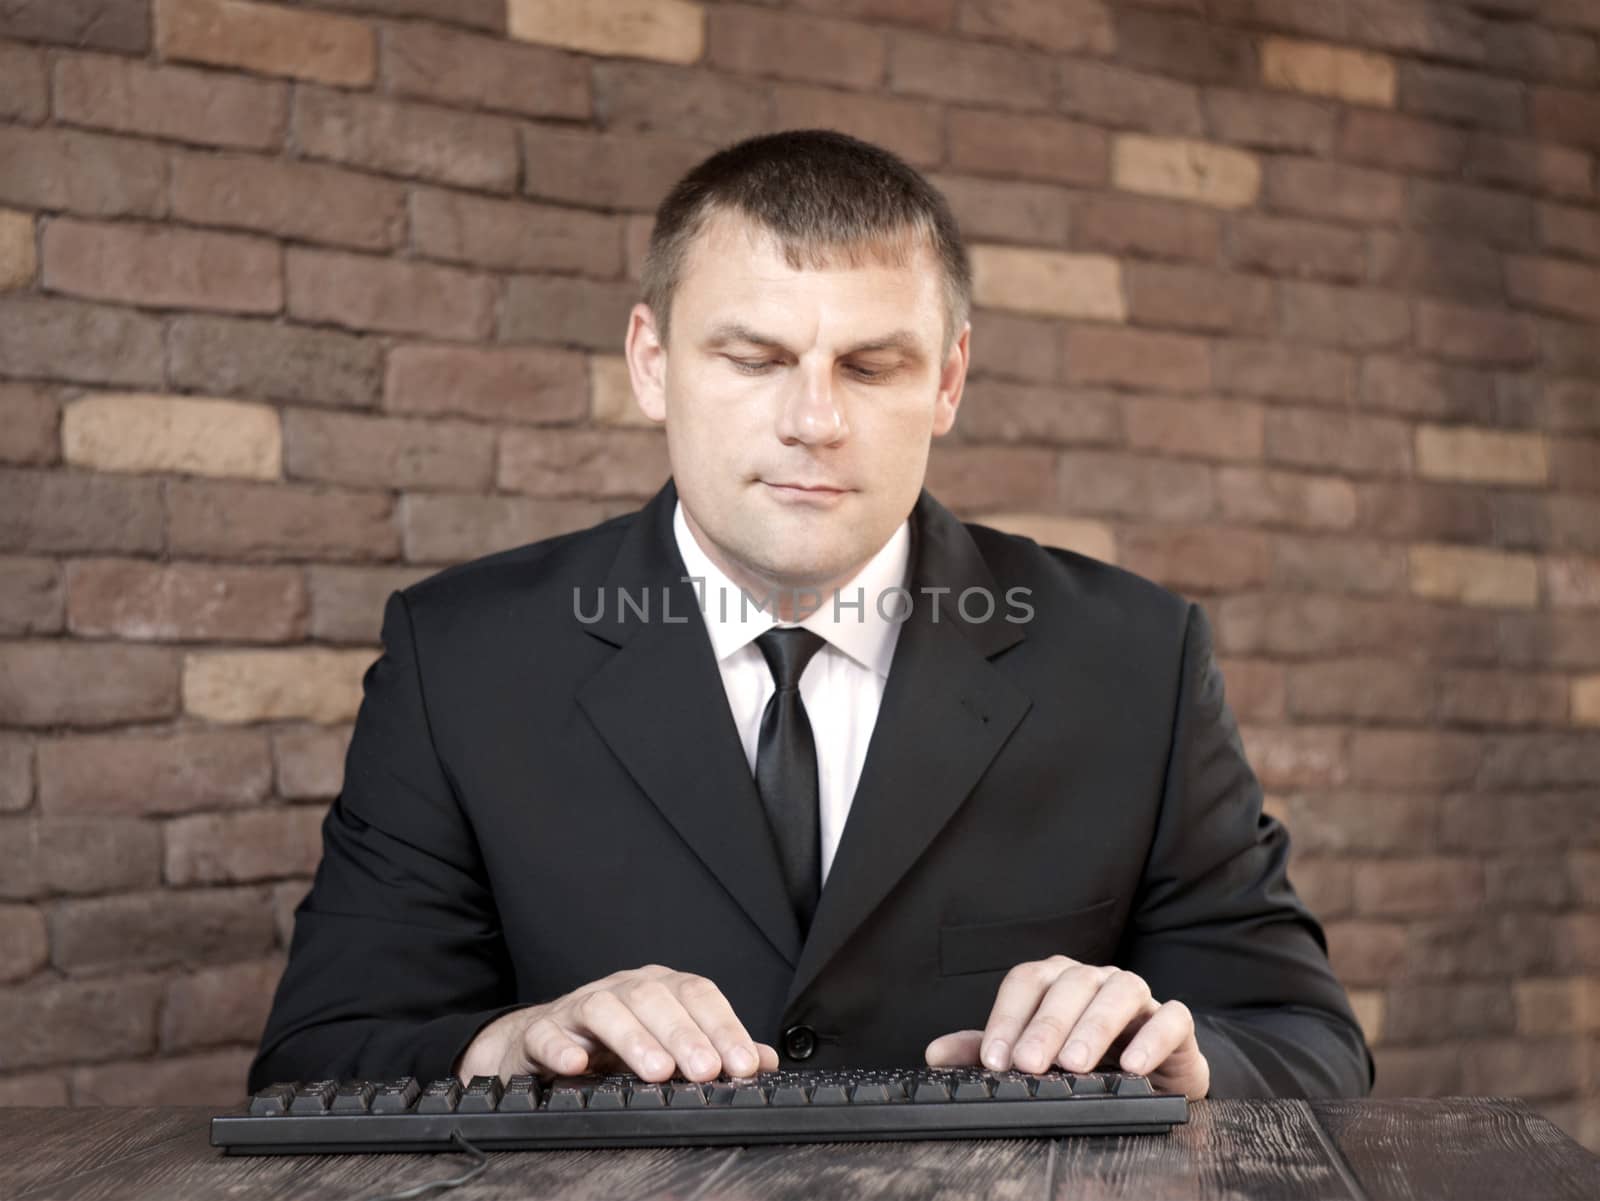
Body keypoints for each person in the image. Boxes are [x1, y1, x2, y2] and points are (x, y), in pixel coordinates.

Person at [248, 129, 1375, 1102]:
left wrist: (1185, 1056)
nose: (814, 419)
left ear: (948, 380)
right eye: (754, 358)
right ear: (652, 362)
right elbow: (321, 1054)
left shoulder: (1137, 660)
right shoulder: (461, 657)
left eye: (873, 367)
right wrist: (510, 1043)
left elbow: (1304, 1040)